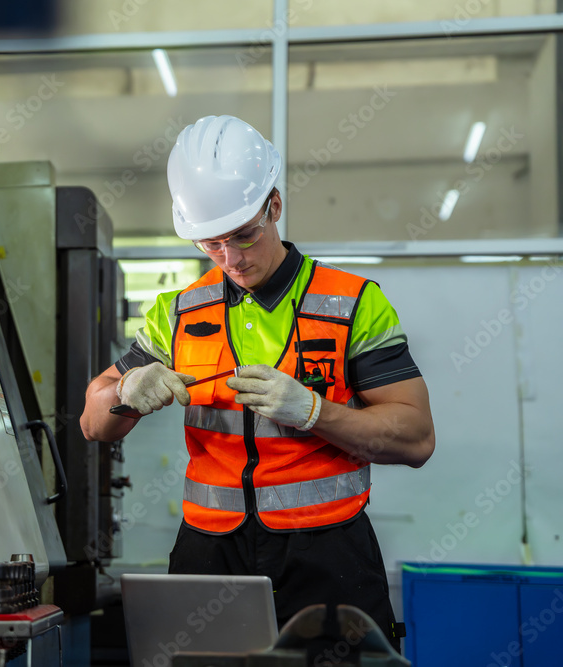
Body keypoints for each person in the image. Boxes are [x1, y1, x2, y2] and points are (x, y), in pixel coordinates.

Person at [80, 115, 435, 652]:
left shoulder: (353, 304)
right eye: (211, 244)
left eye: (244, 235)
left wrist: (315, 412)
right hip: (208, 555)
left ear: (274, 205)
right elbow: (92, 423)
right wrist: (124, 395)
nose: (233, 259)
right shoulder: (176, 314)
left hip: (327, 556)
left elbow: (416, 439)